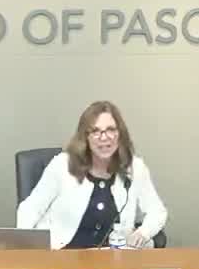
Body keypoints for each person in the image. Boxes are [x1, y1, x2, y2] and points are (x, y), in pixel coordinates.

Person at [17, 101, 169, 249]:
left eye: (111, 130)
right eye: (96, 131)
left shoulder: (134, 167)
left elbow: (157, 211)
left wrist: (143, 233)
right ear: (85, 137)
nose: (104, 137)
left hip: (113, 258)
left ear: (119, 134)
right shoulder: (62, 165)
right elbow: (30, 209)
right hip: (63, 257)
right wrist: (27, 250)